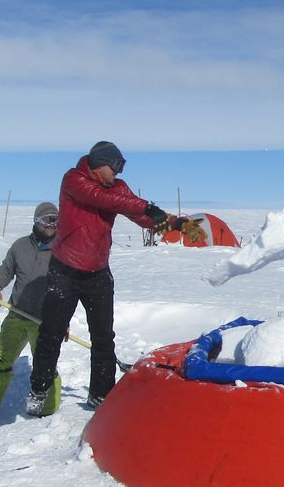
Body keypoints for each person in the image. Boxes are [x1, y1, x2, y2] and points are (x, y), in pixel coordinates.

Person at [27, 141, 187, 416]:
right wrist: (149, 207)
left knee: (103, 337)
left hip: (98, 273)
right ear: (97, 164)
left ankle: (100, 394)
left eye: (121, 167)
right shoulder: (74, 180)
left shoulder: (118, 188)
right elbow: (104, 199)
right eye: (114, 166)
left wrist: (173, 223)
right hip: (65, 270)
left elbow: (136, 213)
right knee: (51, 334)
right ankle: (38, 390)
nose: (118, 172)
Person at [0, 202, 63, 419]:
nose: (52, 224)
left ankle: (49, 410)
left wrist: (62, 320)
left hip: (45, 319)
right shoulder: (20, 246)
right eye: (47, 219)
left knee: (46, 364)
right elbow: (6, 270)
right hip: (17, 313)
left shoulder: (63, 250)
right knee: (0, 358)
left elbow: (69, 289)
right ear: (36, 222)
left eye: (56, 219)